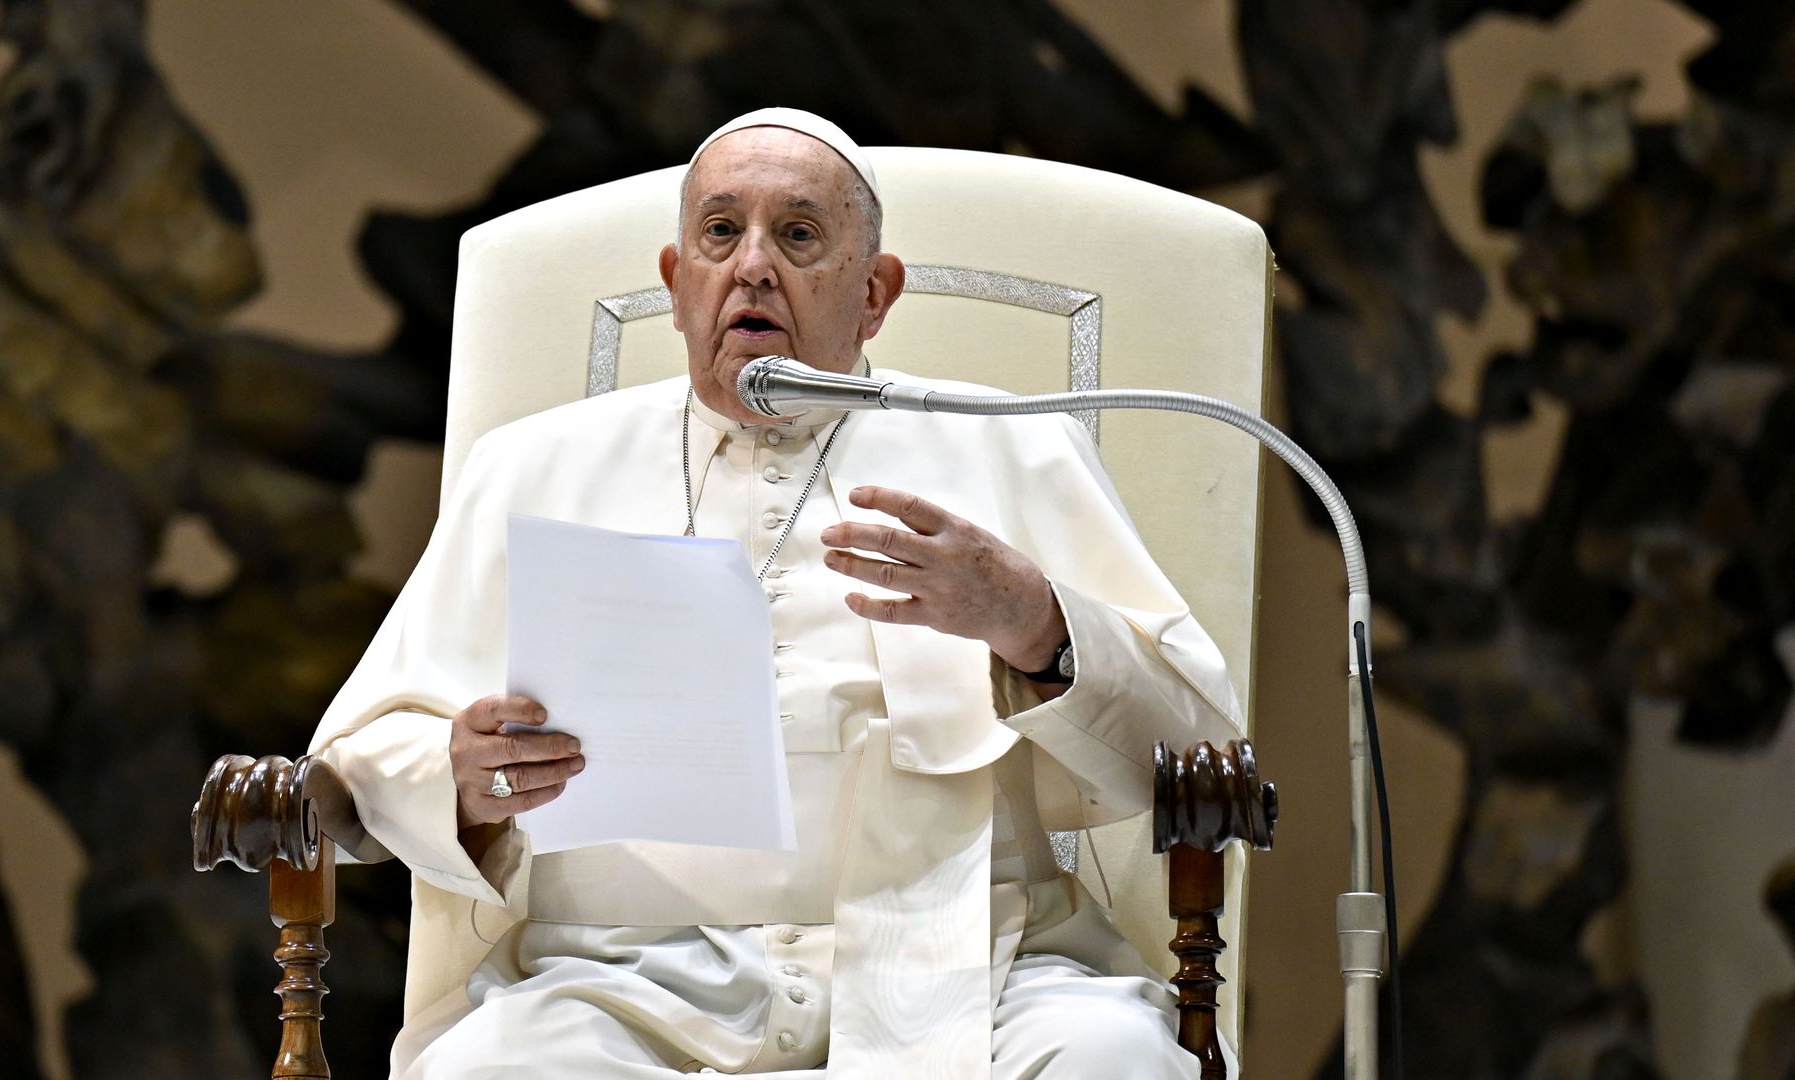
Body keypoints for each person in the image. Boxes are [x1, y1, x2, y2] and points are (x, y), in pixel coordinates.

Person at [311, 108, 1245, 1078]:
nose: (752, 266)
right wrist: (460, 778)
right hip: (619, 980)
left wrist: (1034, 621)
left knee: (1110, 1059)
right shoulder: (530, 467)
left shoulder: (1010, 444)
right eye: (720, 233)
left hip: (973, 959)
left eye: (798, 235)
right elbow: (357, 761)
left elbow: (1201, 746)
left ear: (875, 293)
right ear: (677, 283)